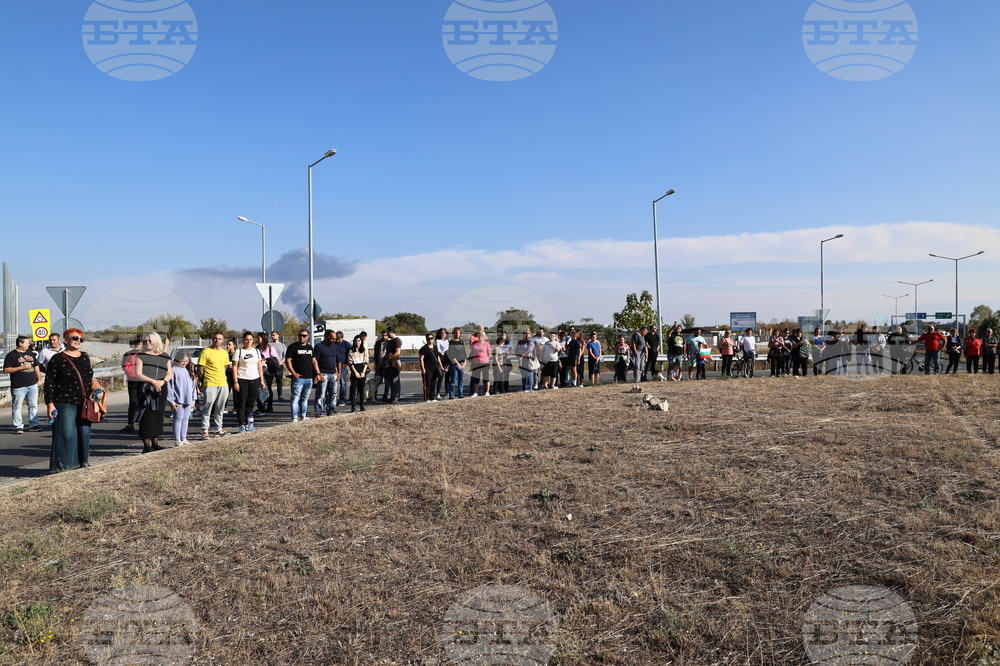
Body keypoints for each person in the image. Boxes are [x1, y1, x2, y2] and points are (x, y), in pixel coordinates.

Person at [44, 329, 102, 472]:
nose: (78, 341)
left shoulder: (84, 357)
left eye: (81, 339)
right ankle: (63, 466)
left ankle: (83, 462)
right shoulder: (57, 359)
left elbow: (89, 377)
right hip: (64, 401)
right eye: (75, 338)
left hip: (84, 401)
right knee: (67, 433)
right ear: (65, 340)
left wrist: (96, 390)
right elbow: (49, 382)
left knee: (84, 432)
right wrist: (50, 404)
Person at [133, 332, 173, 453]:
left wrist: (162, 382)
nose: (147, 343)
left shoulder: (165, 356)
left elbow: (170, 373)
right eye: (145, 341)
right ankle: (146, 446)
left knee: (158, 415)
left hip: (160, 388)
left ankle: (155, 443)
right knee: (146, 416)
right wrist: (153, 381)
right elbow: (138, 374)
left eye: (149, 340)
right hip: (146, 388)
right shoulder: (140, 355)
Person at [4, 335, 41, 434]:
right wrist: (21, 367)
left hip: (32, 384)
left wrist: (39, 379)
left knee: (33, 405)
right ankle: (18, 426)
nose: (29, 344)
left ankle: (33, 425)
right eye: (27, 343)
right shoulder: (11, 355)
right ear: (20, 343)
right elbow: (6, 369)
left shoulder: (30, 353)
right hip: (18, 385)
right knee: (17, 407)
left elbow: (36, 366)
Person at [197, 333, 231, 437]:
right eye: (215, 338)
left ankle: (218, 428)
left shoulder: (224, 353)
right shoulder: (206, 352)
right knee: (207, 407)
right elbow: (200, 368)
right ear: (212, 339)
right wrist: (202, 381)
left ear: (222, 340)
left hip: (222, 383)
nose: (217, 340)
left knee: (220, 407)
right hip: (210, 382)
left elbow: (225, 366)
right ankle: (205, 430)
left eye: (219, 339)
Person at [231, 331, 265, 432]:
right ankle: (242, 424)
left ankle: (250, 421)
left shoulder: (256, 351)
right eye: (246, 339)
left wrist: (261, 380)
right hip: (242, 379)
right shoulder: (239, 352)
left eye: (250, 339)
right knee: (242, 403)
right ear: (243, 340)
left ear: (253, 341)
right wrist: (235, 382)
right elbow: (234, 367)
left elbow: (259, 366)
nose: (248, 341)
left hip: (254, 379)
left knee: (251, 403)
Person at [285, 329, 320, 422]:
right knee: (295, 398)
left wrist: (318, 373)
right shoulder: (293, 347)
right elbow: (288, 361)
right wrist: (293, 373)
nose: (302, 337)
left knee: (305, 398)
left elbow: (314, 361)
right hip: (298, 378)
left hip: (309, 378)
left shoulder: (310, 348)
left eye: (304, 336)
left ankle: (303, 416)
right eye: (300, 335)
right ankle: (295, 417)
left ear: (308, 337)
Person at [167, 350, 197, 446]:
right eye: (182, 361)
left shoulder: (189, 370)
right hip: (178, 400)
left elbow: (193, 386)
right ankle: (177, 440)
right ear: (177, 360)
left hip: (188, 399)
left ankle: (184, 438)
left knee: (185, 419)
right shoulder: (173, 370)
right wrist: (171, 400)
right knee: (178, 419)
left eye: (186, 361)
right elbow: (170, 387)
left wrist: (193, 399)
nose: (184, 363)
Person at [313, 329, 340, 416]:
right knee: (321, 394)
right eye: (332, 338)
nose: (334, 340)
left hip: (333, 373)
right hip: (323, 373)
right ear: (326, 337)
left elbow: (338, 360)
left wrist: (339, 373)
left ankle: (331, 410)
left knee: (333, 393)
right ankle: (318, 411)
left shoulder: (335, 347)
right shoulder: (319, 347)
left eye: (335, 338)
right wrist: (318, 373)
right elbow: (315, 361)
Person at [119, 337, 142, 433]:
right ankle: (142, 424)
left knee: (133, 402)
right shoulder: (144, 353)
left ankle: (130, 424)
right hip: (142, 380)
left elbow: (123, 367)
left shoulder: (127, 354)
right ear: (140, 342)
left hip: (131, 380)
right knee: (142, 402)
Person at [255, 332, 279, 414]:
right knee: (258, 390)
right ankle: (261, 407)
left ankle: (269, 406)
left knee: (267, 388)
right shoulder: (256, 349)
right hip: (258, 371)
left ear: (263, 338)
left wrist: (266, 360)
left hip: (268, 372)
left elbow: (275, 359)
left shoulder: (270, 348)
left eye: (259, 338)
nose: (257, 339)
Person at [420, 332, 444, 403]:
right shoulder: (424, 348)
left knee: (433, 383)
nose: (430, 340)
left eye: (431, 338)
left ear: (433, 339)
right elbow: (421, 359)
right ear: (426, 339)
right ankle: (426, 398)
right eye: (428, 339)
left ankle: (432, 397)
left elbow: (438, 357)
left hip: (435, 368)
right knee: (427, 383)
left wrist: (441, 366)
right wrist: (423, 369)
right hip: (427, 368)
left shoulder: (435, 347)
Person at [348, 336, 369, 412]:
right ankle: (353, 407)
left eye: (359, 341)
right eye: (356, 341)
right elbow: (350, 363)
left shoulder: (364, 351)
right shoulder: (351, 351)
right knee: (353, 390)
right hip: (355, 372)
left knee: (361, 390)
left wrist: (363, 372)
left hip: (362, 371)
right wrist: (355, 372)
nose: (357, 342)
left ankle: (362, 406)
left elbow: (366, 362)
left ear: (361, 342)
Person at [468, 329, 492, 397]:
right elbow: (472, 352)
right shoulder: (474, 344)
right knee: (476, 378)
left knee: (486, 378)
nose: (480, 336)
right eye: (479, 335)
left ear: (484, 336)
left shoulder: (486, 344)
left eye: (482, 335)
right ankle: (476, 392)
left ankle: (487, 392)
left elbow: (489, 353)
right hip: (476, 363)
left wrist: (486, 360)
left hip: (485, 363)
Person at [446, 328, 467, 399]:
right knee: (453, 380)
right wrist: (457, 364)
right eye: (455, 332)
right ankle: (451, 395)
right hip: (454, 364)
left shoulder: (461, 342)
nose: (457, 334)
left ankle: (460, 394)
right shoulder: (451, 342)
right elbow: (451, 355)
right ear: (453, 333)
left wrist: (464, 363)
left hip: (462, 363)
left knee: (461, 380)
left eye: (458, 332)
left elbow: (464, 354)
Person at [383, 328, 403, 403]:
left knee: (395, 379)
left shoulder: (397, 340)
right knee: (390, 379)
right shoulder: (390, 341)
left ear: (391, 332)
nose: (387, 334)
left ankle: (396, 397)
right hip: (389, 362)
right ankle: (392, 396)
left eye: (388, 332)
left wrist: (390, 357)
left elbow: (398, 352)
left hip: (395, 362)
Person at [269, 331, 287, 400]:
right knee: (269, 382)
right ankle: (269, 396)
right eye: (272, 335)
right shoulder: (269, 345)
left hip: (279, 366)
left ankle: (280, 395)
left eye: (274, 335)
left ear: (278, 335)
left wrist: (281, 361)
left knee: (279, 381)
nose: (272, 336)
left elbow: (285, 355)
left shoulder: (282, 345)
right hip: (271, 366)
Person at [434, 328, 450, 400]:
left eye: (444, 333)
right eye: (441, 333)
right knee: (440, 377)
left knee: (447, 377)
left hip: (448, 360)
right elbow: (439, 351)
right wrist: (443, 358)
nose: (443, 334)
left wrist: (448, 360)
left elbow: (449, 350)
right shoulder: (438, 341)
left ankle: (447, 393)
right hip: (441, 360)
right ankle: (438, 393)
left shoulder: (447, 341)